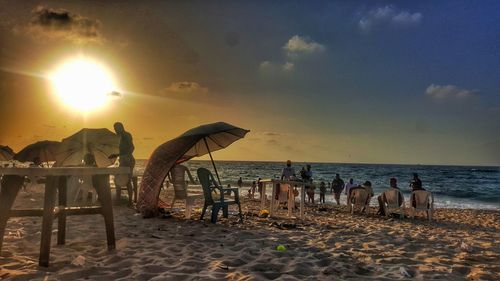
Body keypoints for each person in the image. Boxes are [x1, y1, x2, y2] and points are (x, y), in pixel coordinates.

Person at [110, 122, 135, 204]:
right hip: (123, 160)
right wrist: (115, 155)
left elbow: (131, 148)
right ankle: (118, 199)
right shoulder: (119, 137)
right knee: (117, 179)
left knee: (127, 181)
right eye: (114, 129)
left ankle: (130, 201)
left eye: (116, 128)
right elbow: (120, 150)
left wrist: (117, 154)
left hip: (128, 160)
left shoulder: (126, 135)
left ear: (121, 127)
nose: (115, 130)